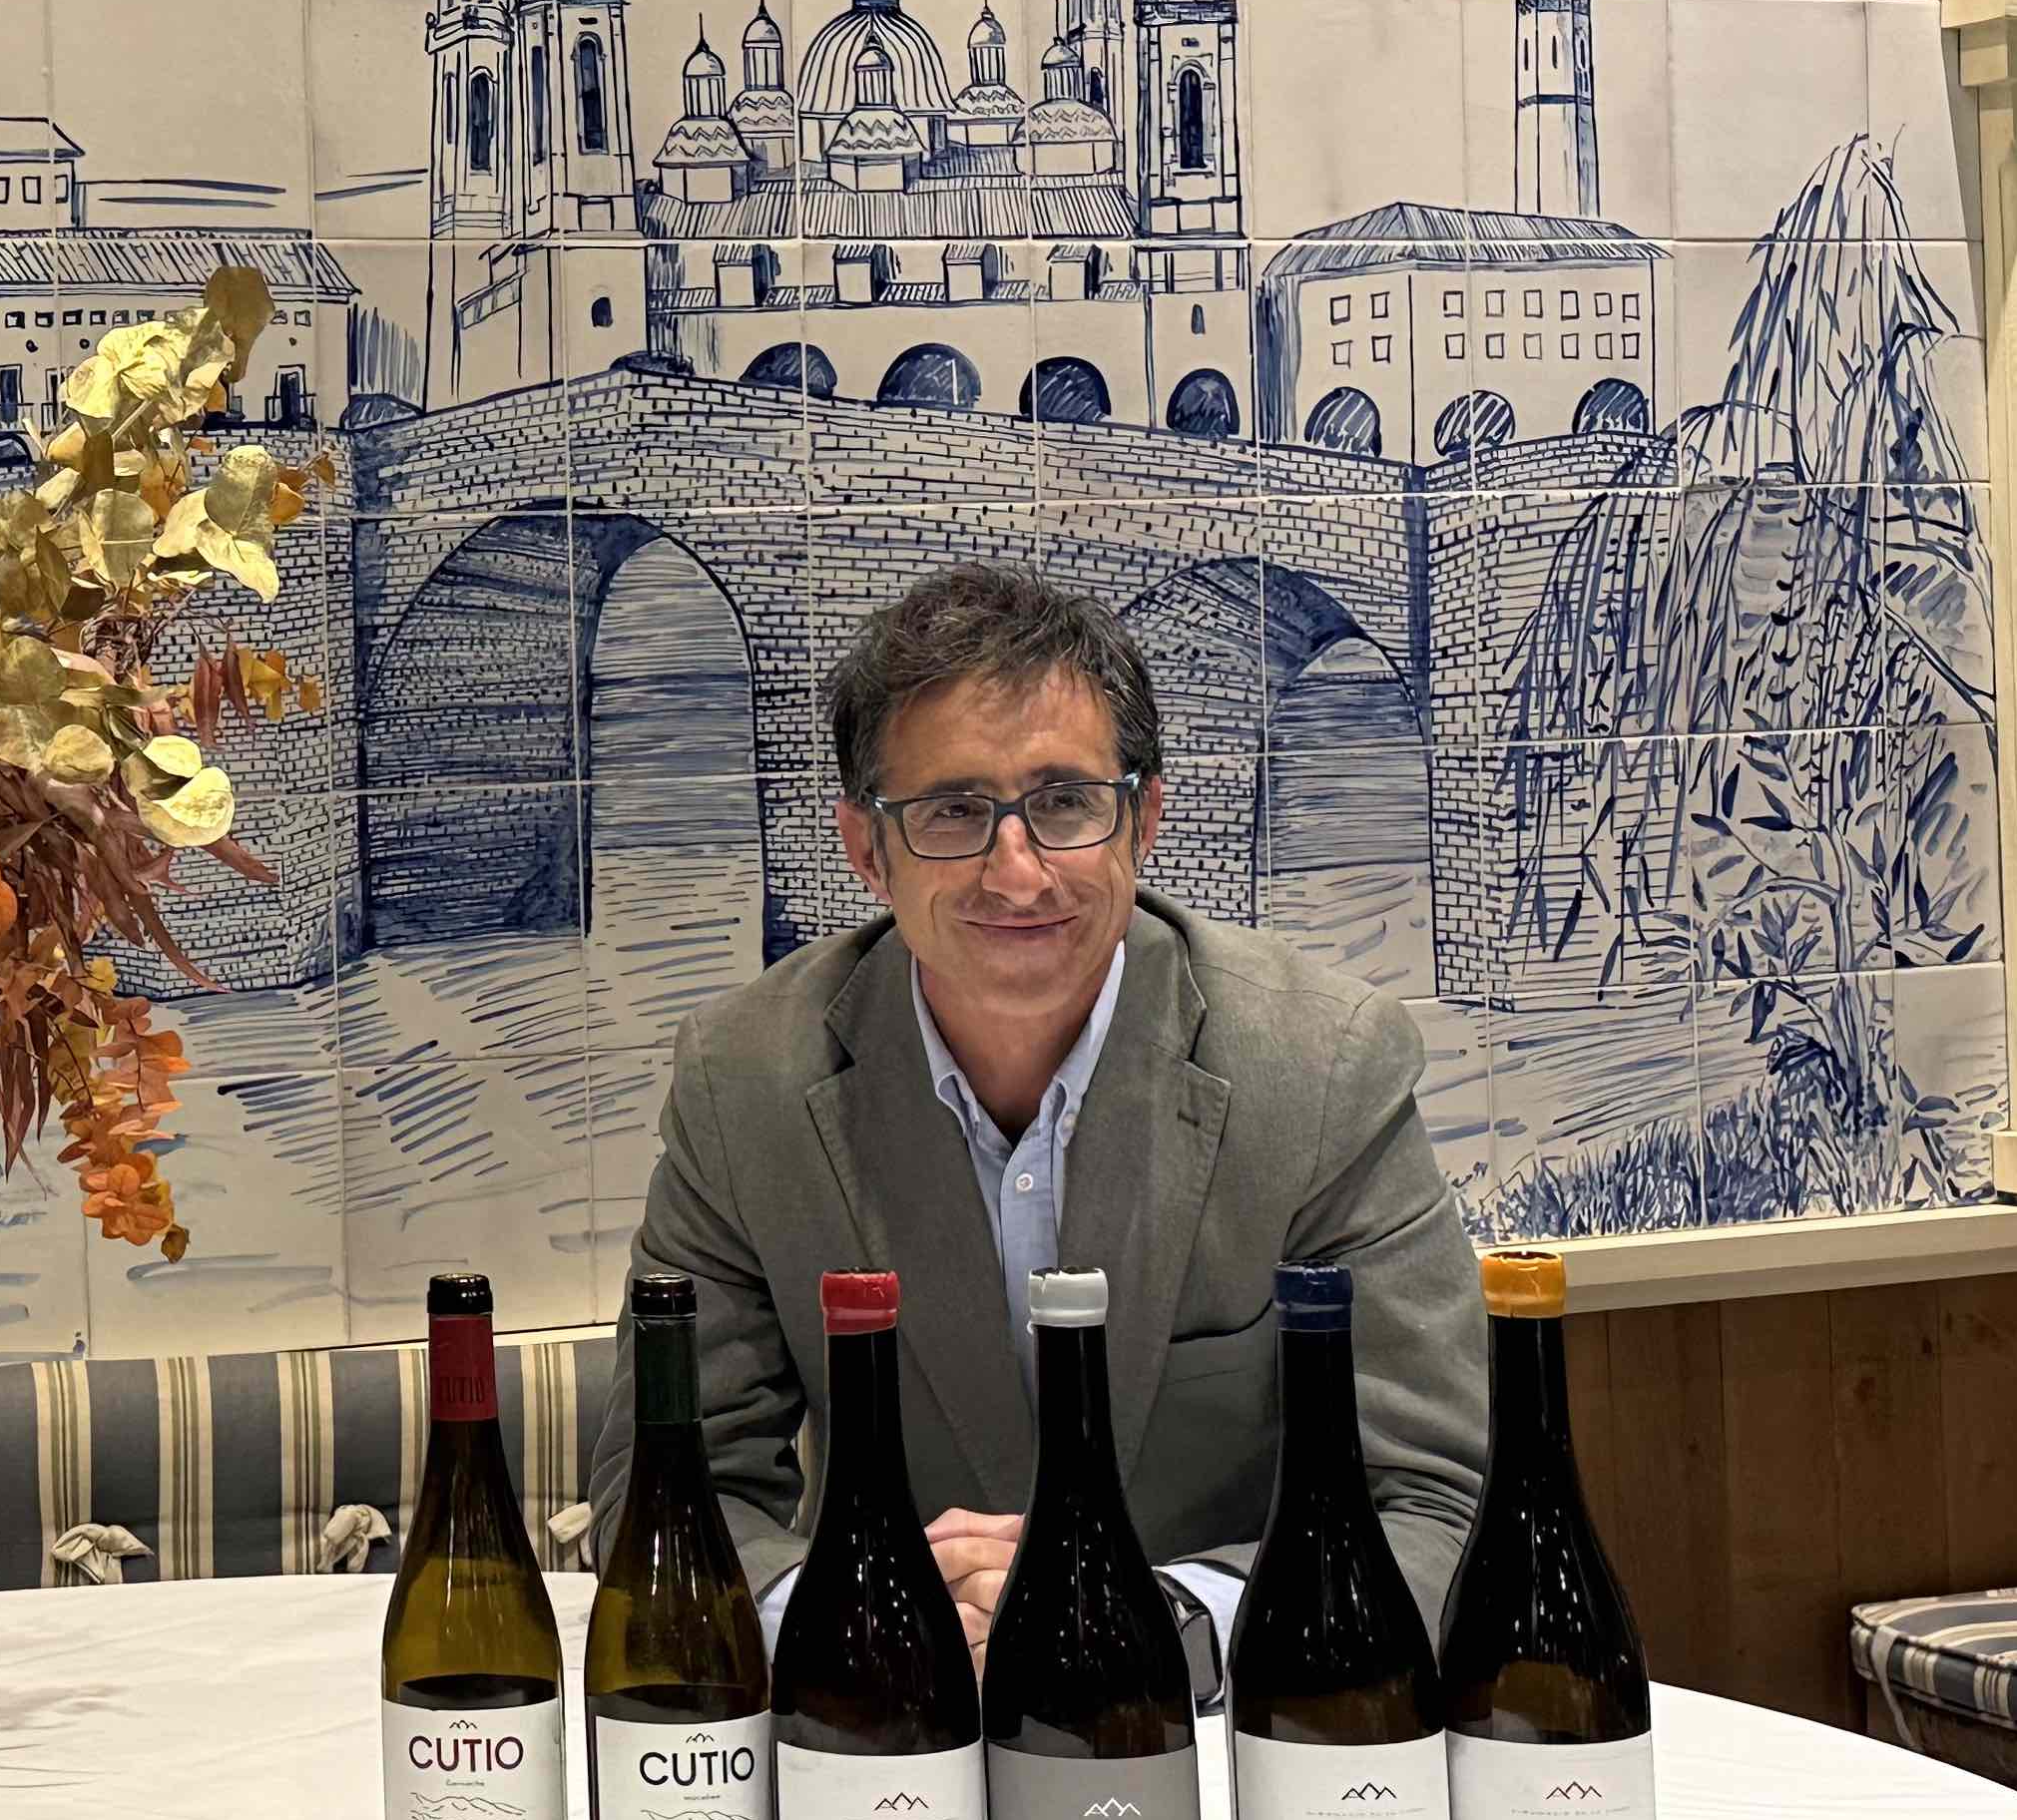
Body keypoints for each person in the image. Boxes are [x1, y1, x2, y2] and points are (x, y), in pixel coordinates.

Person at [585, 563, 1485, 1696]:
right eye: (954, 811)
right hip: (893, 1724)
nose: (1017, 873)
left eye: (1064, 802)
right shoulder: (744, 1086)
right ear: (866, 850)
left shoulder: (1322, 1069)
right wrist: (858, 1613)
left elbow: (1440, 1504)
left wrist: (1158, 1625)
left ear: (1142, 821)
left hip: (1226, 1727)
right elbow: (668, 1497)